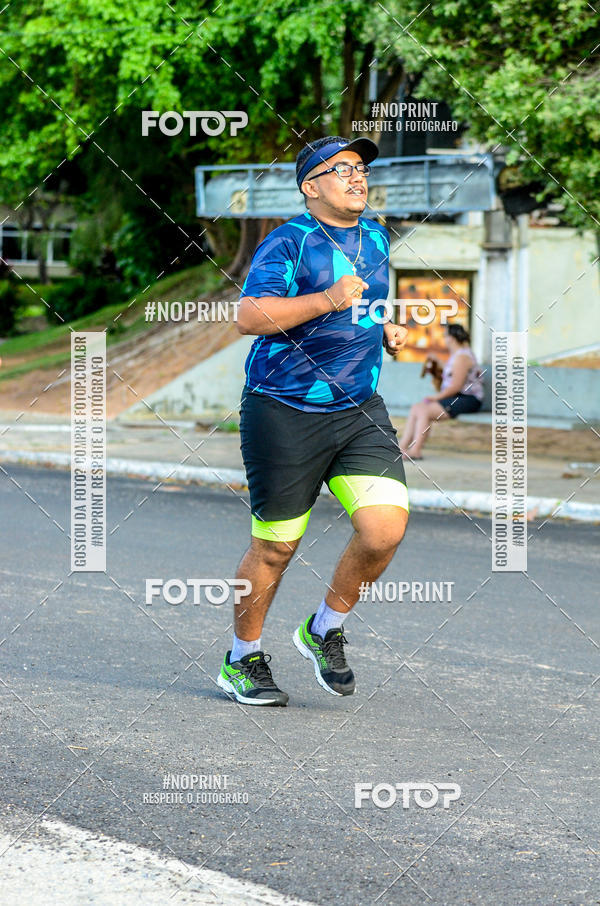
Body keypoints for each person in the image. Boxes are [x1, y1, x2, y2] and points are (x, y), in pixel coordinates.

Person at [216, 135, 409, 707]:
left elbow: (367, 302)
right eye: (341, 169)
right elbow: (249, 316)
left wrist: (385, 327)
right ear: (311, 186)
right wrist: (327, 299)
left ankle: (324, 628)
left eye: (361, 168)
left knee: (384, 530)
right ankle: (241, 658)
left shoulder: (377, 238)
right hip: (284, 409)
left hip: (358, 409)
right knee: (276, 547)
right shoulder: (288, 241)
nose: (357, 176)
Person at [399, 323, 484, 460]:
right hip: (457, 397)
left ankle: (415, 450)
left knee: (424, 411)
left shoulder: (462, 357)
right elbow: (452, 372)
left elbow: (456, 386)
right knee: (417, 408)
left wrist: (436, 397)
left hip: (467, 399)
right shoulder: (458, 355)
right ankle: (401, 448)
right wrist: (438, 361)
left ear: (452, 338)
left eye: (445, 335)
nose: (444, 338)